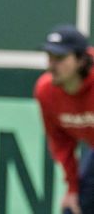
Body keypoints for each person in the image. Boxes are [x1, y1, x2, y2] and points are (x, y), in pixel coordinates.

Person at [35, 24, 94, 214]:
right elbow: (62, 144)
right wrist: (72, 189)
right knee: (73, 208)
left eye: (60, 58)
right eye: (50, 57)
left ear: (81, 60)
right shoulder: (45, 91)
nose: (52, 65)